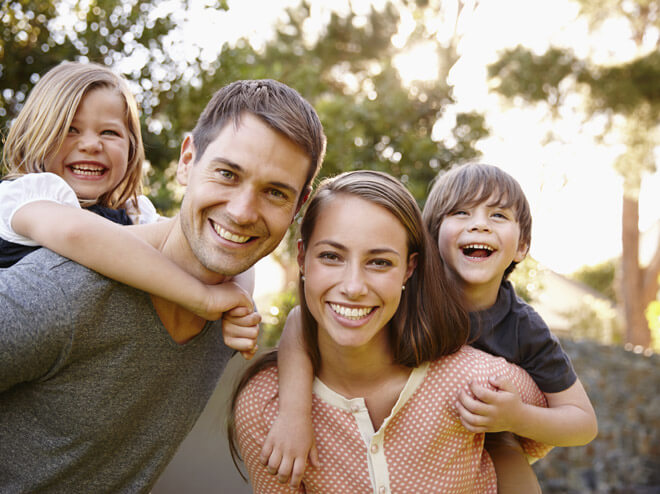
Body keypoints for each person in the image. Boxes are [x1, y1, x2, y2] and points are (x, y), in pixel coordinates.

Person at [0, 77, 326, 492]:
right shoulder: (61, 291)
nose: (243, 212)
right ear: (187, 160)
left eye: (276, 193)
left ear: (299, 205)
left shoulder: (229, 312)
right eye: (227, 173)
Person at [229, 170, 552, 493]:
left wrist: (504, 444)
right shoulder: (264, 406)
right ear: (302, 258)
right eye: (331, 256)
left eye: (380, 262)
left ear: (409, 269)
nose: (353, 287)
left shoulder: (475, 380)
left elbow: (541, 431)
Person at [0, 61, 259, 354]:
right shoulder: (26, 197)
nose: (90, 145)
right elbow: (78, 234)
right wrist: (203, 298)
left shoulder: (136, 213)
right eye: (70, 129)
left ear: (132, 147)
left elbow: (206, 241)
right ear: (38, 134)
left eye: (109, 132)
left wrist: (239, 296)